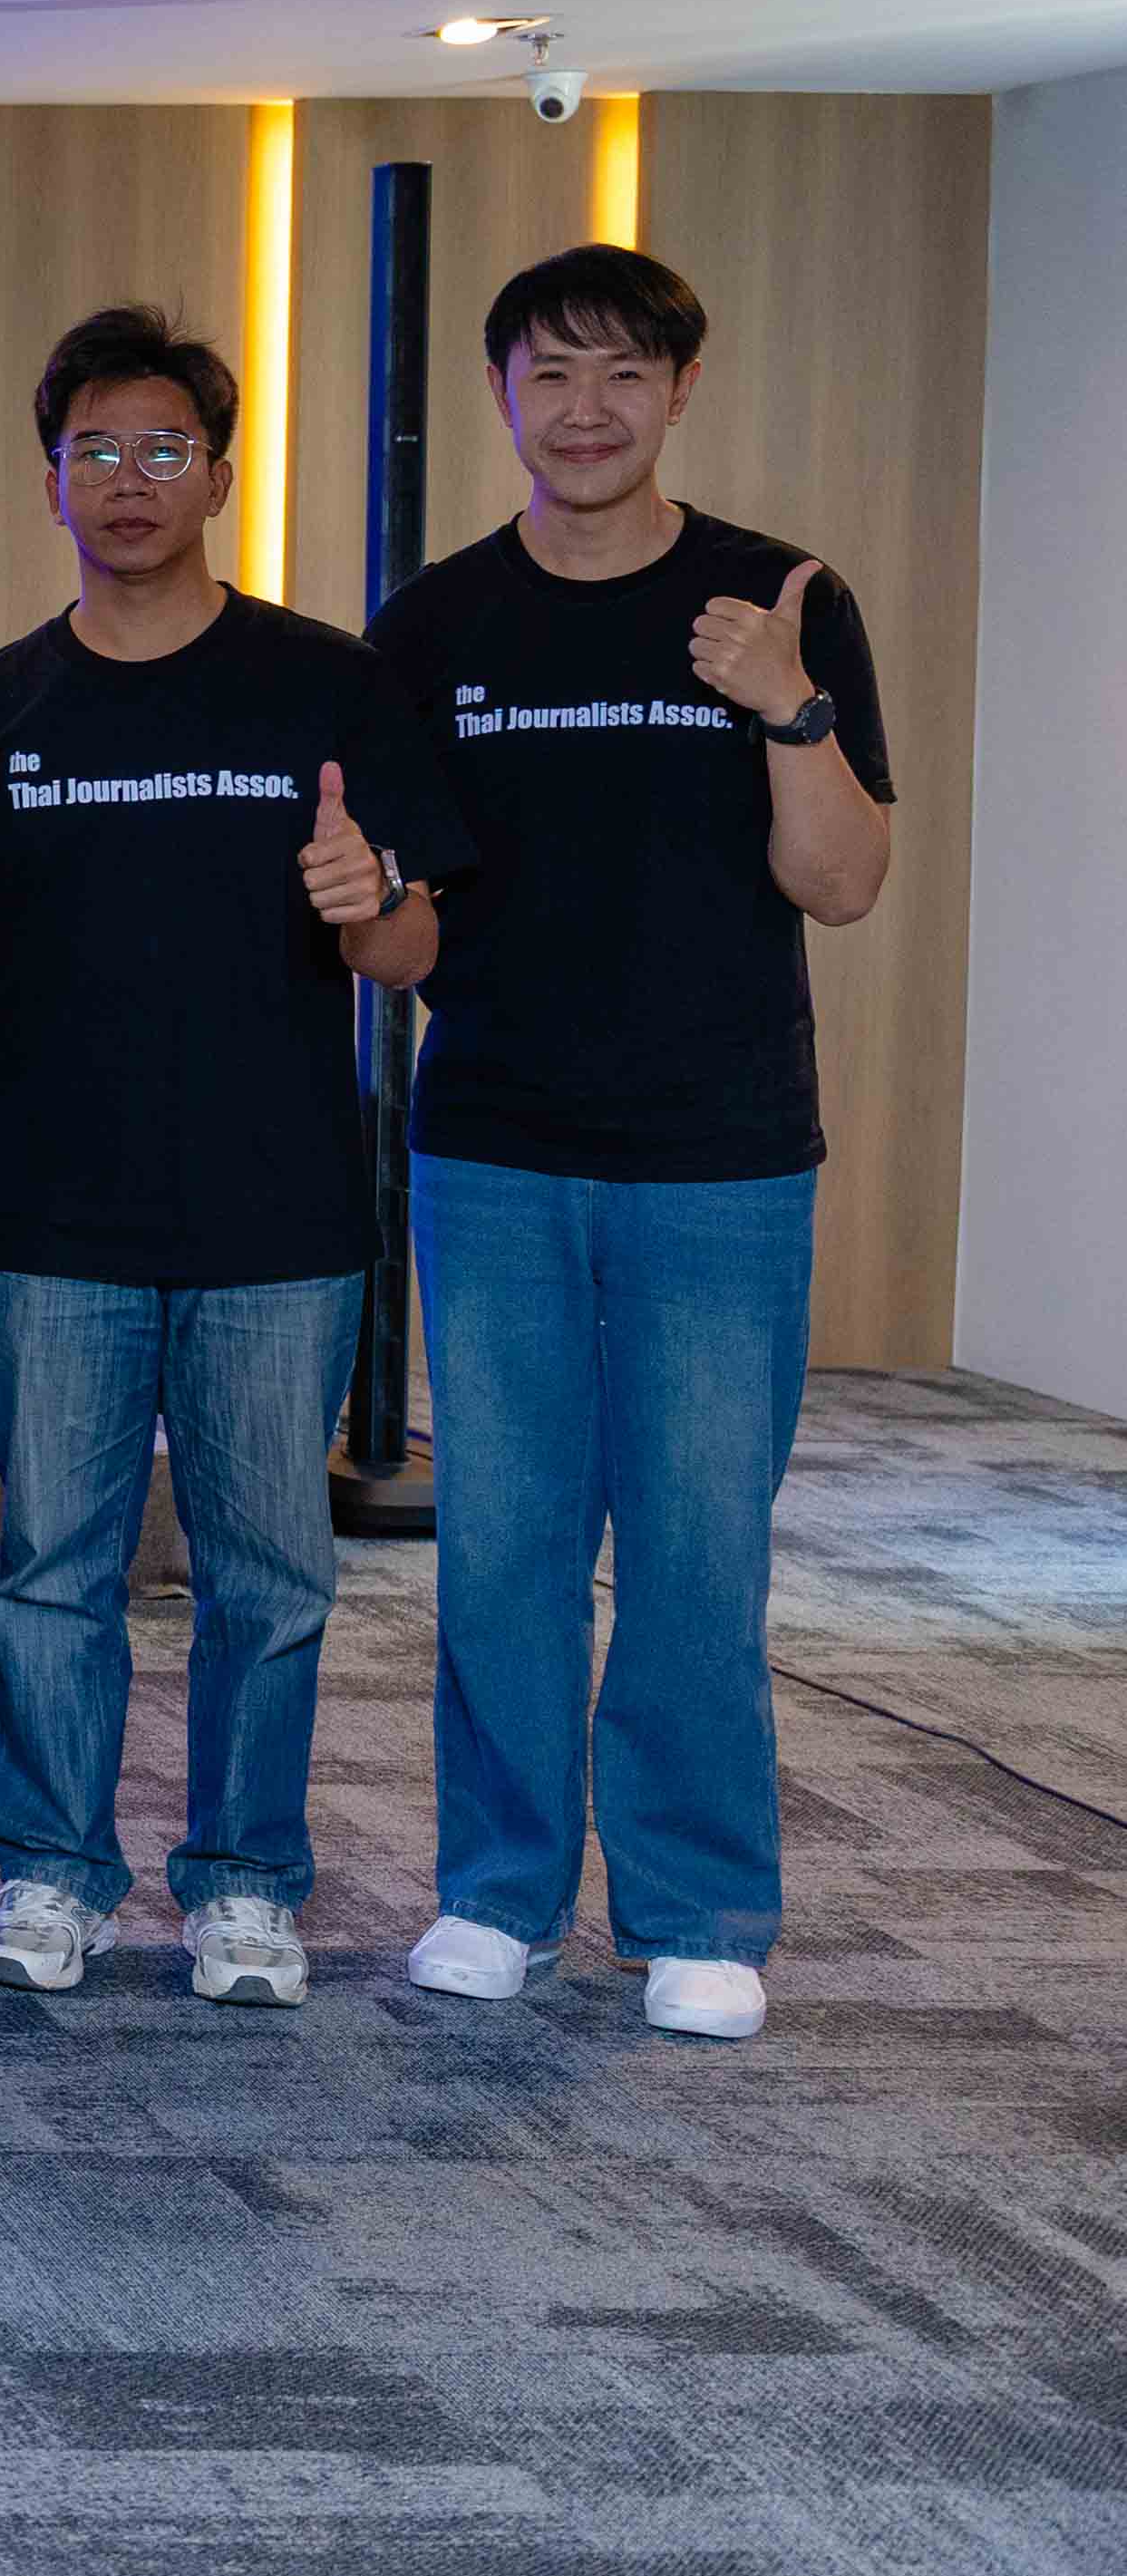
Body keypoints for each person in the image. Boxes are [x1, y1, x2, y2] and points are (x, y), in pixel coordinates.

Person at [0, 303, 473, 2008]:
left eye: (164, 447)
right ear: (50, 480)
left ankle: (243, 1883)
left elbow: (415, 948)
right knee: (52, 1572)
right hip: (55, 1226)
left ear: (218, 474)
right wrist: (6, 1100)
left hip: (276, 1220)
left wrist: (367, 902)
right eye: (94, 449)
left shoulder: (325, 684)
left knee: (267, 1576)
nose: (128, 478)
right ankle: (52, 1872)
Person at [367, 246, 892, 2043]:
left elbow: (842, 879)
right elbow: (407, 927)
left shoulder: (779, 597)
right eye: (549, 374)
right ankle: (495, 1890)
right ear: (500, 393)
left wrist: (786, 703)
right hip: (495, 1145)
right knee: (502, 1540)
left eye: (619, 375)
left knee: (693, 1546)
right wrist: (350, 903)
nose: (582, 410)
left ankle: (692, 1908)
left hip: (719, 1156)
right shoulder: (432, 626)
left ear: (679, 387)